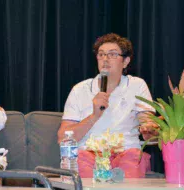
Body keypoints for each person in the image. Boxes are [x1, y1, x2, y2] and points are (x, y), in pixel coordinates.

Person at [57, 33, 159, 178]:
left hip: (126, 152)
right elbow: (62, 138)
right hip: (88, 154)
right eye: (101, 54)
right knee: (79, 163)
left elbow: (146, 121)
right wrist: (94, 116)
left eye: (112, 54)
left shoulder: (137, 85)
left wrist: (149, 128)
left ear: (125, 61)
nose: (105, 59)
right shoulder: (80, 90)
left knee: (134, 160)